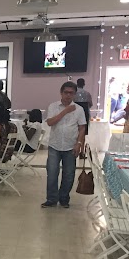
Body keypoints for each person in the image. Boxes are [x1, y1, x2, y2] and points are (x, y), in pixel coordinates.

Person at [42, 81, 87, 209]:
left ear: (74, 94)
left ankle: (64, 199)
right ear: (61, 93)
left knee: (69, 175)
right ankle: (51, 199)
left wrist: (79, 144)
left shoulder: (79, 109)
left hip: (71, 146)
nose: (68, 95)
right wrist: (65, 111)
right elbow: (50, 122)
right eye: (66, 92)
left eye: (71, 93)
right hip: (54, 145)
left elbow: (82, 128)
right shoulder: (53, 106)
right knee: (52, 174)